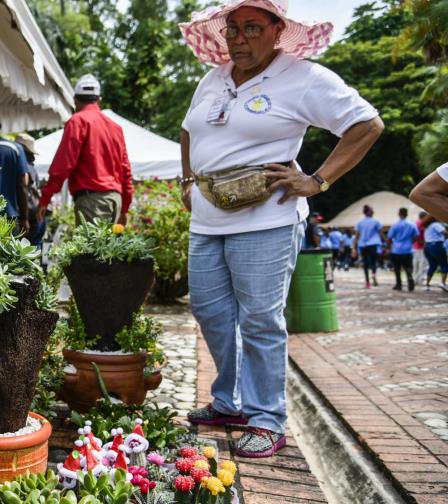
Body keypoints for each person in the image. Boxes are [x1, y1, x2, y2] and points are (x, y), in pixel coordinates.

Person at [179, 0, 383, 458]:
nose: (238, 37)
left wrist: (317, 181)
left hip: (266, 218)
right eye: (232, 28)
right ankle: (229, 402)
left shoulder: (304, 77)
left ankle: (267, 418)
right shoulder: (213, 78)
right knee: (211, 313)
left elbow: (366, 125)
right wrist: (188, 179)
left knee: (259, 320)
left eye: (252, 27)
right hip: (207, 220)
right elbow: (189, 130)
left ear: (278, 30)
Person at [35, 75, 133, 225]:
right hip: (115, 201)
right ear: (98, 99)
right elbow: (126, 170)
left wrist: (45, 198)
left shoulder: (77, 121)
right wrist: (125, 207)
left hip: (92, 201)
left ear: (75, 100)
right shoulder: (115, 128)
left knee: (90, 248)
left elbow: (64, 164)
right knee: (107, 248)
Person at [14, 133, 48, 249]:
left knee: (28, 251)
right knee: (35, 248)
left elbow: (23, 187)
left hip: (30, 217)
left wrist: (24, 218)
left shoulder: (25, 167)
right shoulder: (32, 166)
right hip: (37, 215)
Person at [386, 207, 419, 291]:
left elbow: (389, 237)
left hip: (397, 249)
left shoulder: (395, 225)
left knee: (397, 268)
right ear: (406, 214)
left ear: (399, 214)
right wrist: (411, 242)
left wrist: (388, 247)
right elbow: (416, 236)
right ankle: (410, 277)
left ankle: (399, 284)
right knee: (408, 266)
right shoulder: (412, 224)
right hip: (408, 249)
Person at [354, 205, 383, 289]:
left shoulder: (359, 222)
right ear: (368, 212)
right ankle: (373, 274)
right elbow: (381, 234)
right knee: (373, 262)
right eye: (372, 210)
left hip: (363, 245)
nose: (373, 212)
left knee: (365, 263)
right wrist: (386, 242)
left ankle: (367, 282)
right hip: (373, 244)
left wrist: (353, 248)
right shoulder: (376, 221)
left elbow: (356, 236)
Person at [421, 215, 448, 291]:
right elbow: (445, 232)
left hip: (427, 247)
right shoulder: (436, 224)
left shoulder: (428, 227)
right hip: (436, 245)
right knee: (444, 264)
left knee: (433, 265)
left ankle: (427, 284)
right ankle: (443, 283)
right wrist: (445, 238)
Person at [412, 211, 429, 286]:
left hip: (415, 246)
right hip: (420, 246)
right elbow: (417, 235)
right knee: (423, 263)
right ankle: (418, 279)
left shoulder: (416, 223)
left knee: (416, 263)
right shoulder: (420, 223)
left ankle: (414, 278)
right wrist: (422, 242)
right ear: (424, 217)